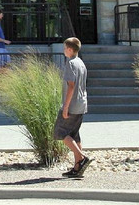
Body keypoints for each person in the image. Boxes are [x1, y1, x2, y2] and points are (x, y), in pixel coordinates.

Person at [54, 36, 91, 178]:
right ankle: (77, 168)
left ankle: (81, 157)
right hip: (82, 104)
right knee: (75, 135)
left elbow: (71, 86)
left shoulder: (71, 64)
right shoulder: (81, 63)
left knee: (60, 133)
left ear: (70, 49)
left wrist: (65, 107)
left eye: (65, 48)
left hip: (73, 105)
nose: (64, 51)